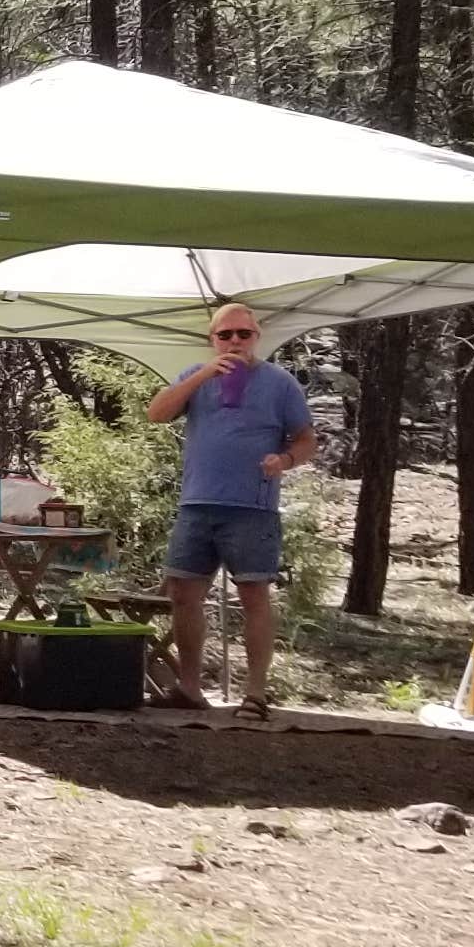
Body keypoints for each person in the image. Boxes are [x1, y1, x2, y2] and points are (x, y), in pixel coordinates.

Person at [141, 303, 321, 709]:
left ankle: (255, 694)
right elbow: (157, 413)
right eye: (225, 335)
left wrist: (286, 461)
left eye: (243, 334)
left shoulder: (280, 383)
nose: (235, 341)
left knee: (253, 595)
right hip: (197, 503)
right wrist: (206, 372)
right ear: (212, 340)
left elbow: (307, 439)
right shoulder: (195, 376)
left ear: (257, 336)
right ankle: (189, 688)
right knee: (184, 594)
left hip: (252, 506)